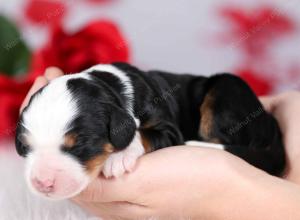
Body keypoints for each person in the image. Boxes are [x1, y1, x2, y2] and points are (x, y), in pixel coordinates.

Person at [20, 67, 300, 220]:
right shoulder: (97, 109)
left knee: (226, 87)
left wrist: (136, 144)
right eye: (30, 146)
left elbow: (167, 135)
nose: (42, 178)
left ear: (119, 126)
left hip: (244, 123)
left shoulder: (135, 105)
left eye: (75, 147)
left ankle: (237, 150)